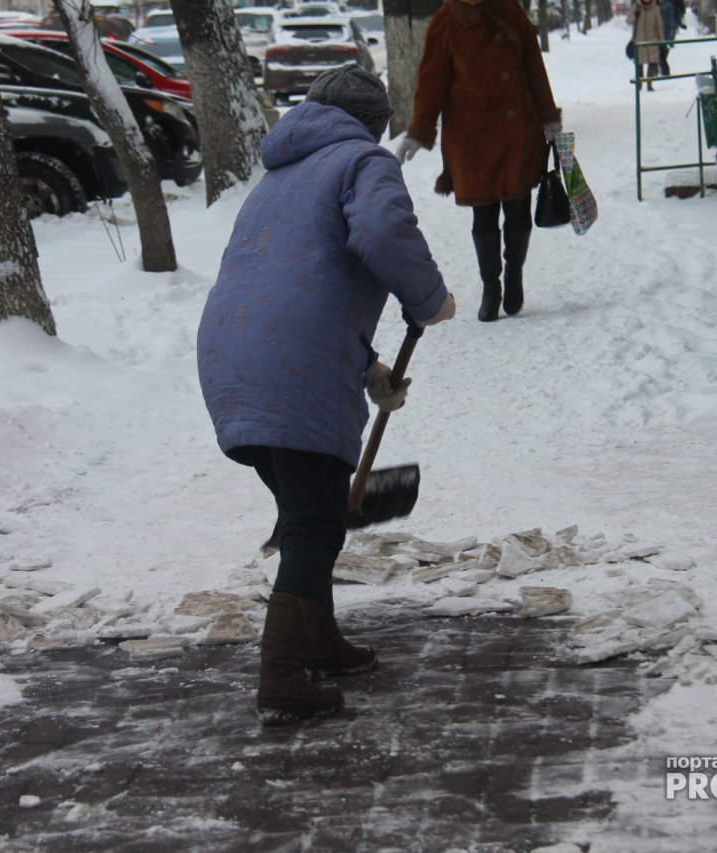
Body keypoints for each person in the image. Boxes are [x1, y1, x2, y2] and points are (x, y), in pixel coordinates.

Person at [196, 65, 456, 725]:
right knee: (315, 523)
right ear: (371, 123)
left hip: (231, 359)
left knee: (309, 510)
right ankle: (283, 675)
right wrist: (430, 300)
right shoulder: (363, 161)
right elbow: (383, 234)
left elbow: (291, 284)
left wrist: (368, 369)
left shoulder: (278, 177)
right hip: (293, 362)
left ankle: (319, 639)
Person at [395, 0, 561, 323]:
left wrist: (548, 116)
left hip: (518, 131)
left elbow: (534, 67)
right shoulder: (447, 20)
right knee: (484, 217)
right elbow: (432, 80)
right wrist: (420, 129)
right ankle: (491, 288)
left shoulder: (511, 11)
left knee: (519, 212)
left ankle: (514, 274)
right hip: (472, 137)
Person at [629, 0, 666, 91]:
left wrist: (662, 42)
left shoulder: (656, 9)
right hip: (639, 41)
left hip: (652, 41)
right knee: (639, 64)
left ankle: (649, 83)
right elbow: (629, 21)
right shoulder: (636, 7)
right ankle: (639, 83)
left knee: (652, 63)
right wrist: (635, 15)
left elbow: (659, 27)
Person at [659, 0, 677, 76]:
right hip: (660, 36)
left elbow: (670, 23)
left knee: (661, 58)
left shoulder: (667, 6)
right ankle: (664, 73)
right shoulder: (657, 5)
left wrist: (670, 38)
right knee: (660, 58)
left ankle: (665, 74)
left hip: (664, 36)